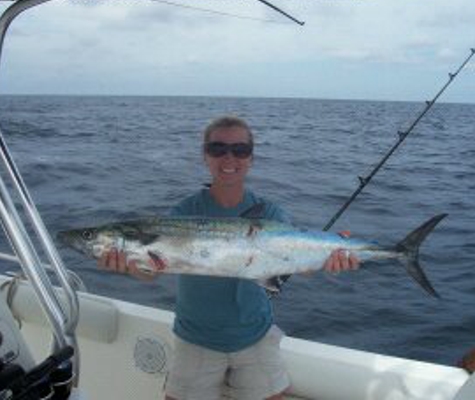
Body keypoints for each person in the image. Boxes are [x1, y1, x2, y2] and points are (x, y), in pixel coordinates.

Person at [100, 116, 359, 400]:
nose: (229, 157)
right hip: (195, 337)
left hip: (255, 334)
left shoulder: (270, 213)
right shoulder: (184, 211)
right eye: (217, 148)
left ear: (251, 158)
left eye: (240, 150)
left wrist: (328, 260)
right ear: (205, 156)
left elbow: (296, 266)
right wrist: (130, 266)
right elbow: (153, 271)